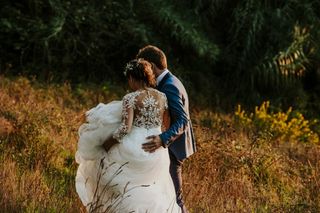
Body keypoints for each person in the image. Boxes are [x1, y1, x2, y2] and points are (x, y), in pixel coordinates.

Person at [75, 59, 181, 212]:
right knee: (154, 189)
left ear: (132, 78)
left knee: (123, 186)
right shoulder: (162, 97)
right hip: (157, 150)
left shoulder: (130, 98)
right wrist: (159, 139)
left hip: (134, 148)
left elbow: (125, 128)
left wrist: (105, 145)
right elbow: (166, 125)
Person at [137, 45, 196, 213]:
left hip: (173, 149)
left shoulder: (170, 85)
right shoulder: (166, 81)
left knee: (174, 199)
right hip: (169, 148)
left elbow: (183, 121)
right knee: (163, 196)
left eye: (145, 67)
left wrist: (162, 139)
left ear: (153, 66)